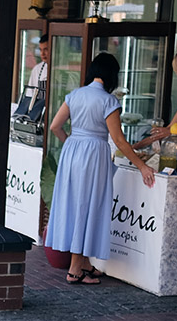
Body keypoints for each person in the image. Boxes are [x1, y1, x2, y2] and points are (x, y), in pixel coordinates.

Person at [46, 52, 155, 285]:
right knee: (88, 207)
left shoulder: (74, 95)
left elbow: (55, 126)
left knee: (75, 205)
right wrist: (142, 166)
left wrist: (72, 143)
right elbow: (119, 140)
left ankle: (84, 263)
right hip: (94, 155)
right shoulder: (109, 101)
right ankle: (75, 269)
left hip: (72, 152)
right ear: (112, 75)